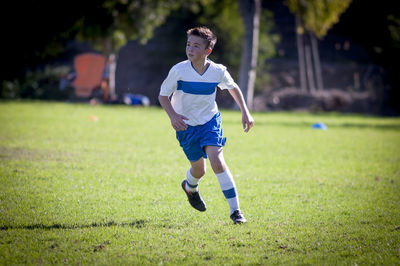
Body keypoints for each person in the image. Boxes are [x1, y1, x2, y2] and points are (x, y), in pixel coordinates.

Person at [158, 26, 254, 224]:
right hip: (186, 126)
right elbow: (163, 95)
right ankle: (190, 187)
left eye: (195, 46)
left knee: (217, 161)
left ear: (207, 51)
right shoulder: (179, 70)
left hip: (210, 121)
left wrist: (245, 111)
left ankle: (236, 212)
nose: (190, 49)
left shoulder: (218, 71)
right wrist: (173, 116)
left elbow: (233, 87)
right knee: (199, 170)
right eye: (188, 45)